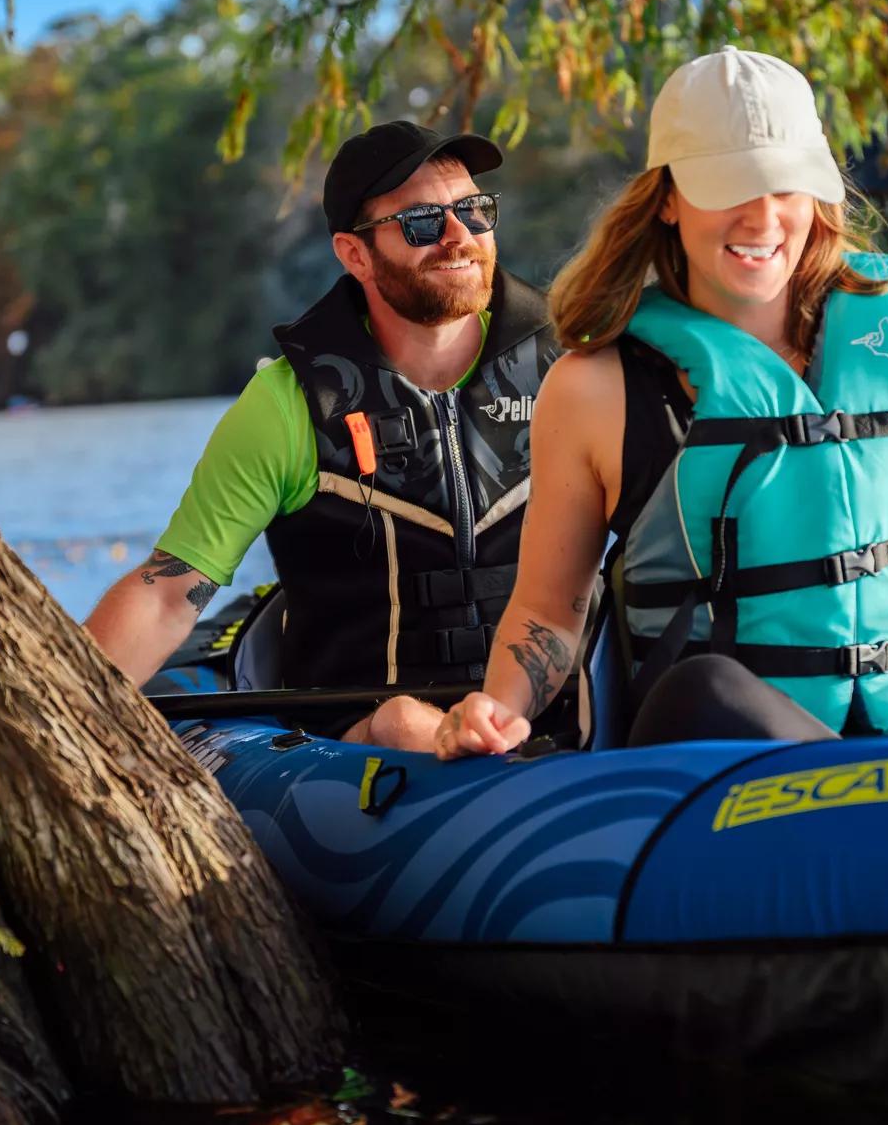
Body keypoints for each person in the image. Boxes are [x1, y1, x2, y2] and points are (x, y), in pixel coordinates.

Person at [436, 47, 888, 759]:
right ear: (667, 200)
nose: (762, 218)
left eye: (785, 185)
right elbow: (546, 613)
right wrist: (501, 708)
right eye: (729, 187)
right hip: (714, 756)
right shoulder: (596, 386)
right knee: (706, 688)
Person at [85, 121, 560, 750]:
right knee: (402, 723)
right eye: (421, 221)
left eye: (474, 211)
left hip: (552, 718)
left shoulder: (569, 366)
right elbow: (170, 594)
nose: (458, 237)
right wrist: (52, 721)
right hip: (361, 736)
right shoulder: (290, 404)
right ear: (355, 254)